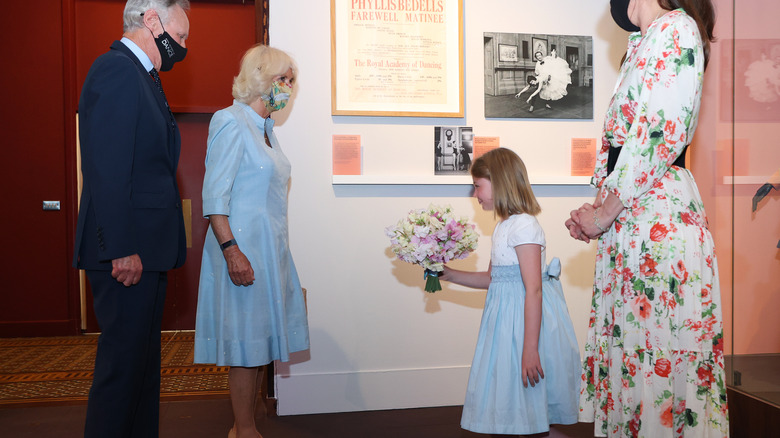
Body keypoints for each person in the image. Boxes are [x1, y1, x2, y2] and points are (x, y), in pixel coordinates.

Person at [566, 0, 729, 436]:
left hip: (657, 214)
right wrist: (597, 212)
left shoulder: (675, 28)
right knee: (638, 352)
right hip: (638, 211)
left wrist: (601, 215)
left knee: (656, 350)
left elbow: (657, 137)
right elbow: (630, 147)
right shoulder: (647, 39)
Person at [72, 1, 190, 436]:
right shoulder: (117, 69)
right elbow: (107, 168)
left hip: (146, 252)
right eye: (180, 36)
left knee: (141, 370)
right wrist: (121, 247)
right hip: (125, 254)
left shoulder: (144, 75)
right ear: (151, 21)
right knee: (122, 373)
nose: (182, 47)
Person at [194, 44, 310, 438]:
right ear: (261, 79)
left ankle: (246, 422)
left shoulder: (266, 131)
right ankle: (243, 430)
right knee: (245, 346)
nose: (288, 88)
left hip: (269, 250)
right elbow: (214, 198)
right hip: (240, 250)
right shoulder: (230, 121)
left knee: (259, 342)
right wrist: (231, 251)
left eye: (292, 81)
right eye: (283, 79)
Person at [441, 148, 580, 435]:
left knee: (530, 414)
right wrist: (449, 274)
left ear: (500, 182)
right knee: (513, 411)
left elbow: (533, 290)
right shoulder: (504, 226)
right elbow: (494, 279)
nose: (474, 193)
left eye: (478, 185)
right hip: (506, 325)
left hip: (524, 327)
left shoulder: (525, 226)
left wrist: (530, 349)